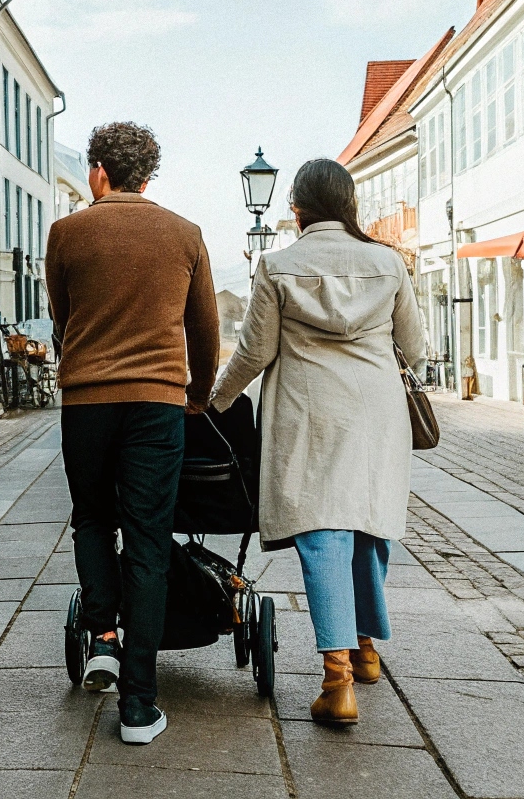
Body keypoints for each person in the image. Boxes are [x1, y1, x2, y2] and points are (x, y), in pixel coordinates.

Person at [209, 158, 425, 725]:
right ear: (350, 205)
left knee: (323, 534)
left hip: (308, 412)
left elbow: (254, 353)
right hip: (376, 413)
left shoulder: (278, 265)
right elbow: (416, 347)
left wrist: (214, 400)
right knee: (369, 522)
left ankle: (338, 682)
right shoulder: (388, 263)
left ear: (297, 209)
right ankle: (366, 648)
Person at [44, 121, 221, 745]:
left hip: (86, 402)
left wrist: (89, 359)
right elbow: (204, 332)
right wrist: (197, 395)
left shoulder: (66, 233)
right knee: (147, 539)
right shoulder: (185, 235)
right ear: (149, 175)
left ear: (98, 170)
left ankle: (104, 638)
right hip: (156, 405)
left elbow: (62, 318)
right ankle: (140, 706)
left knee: (93, 518)